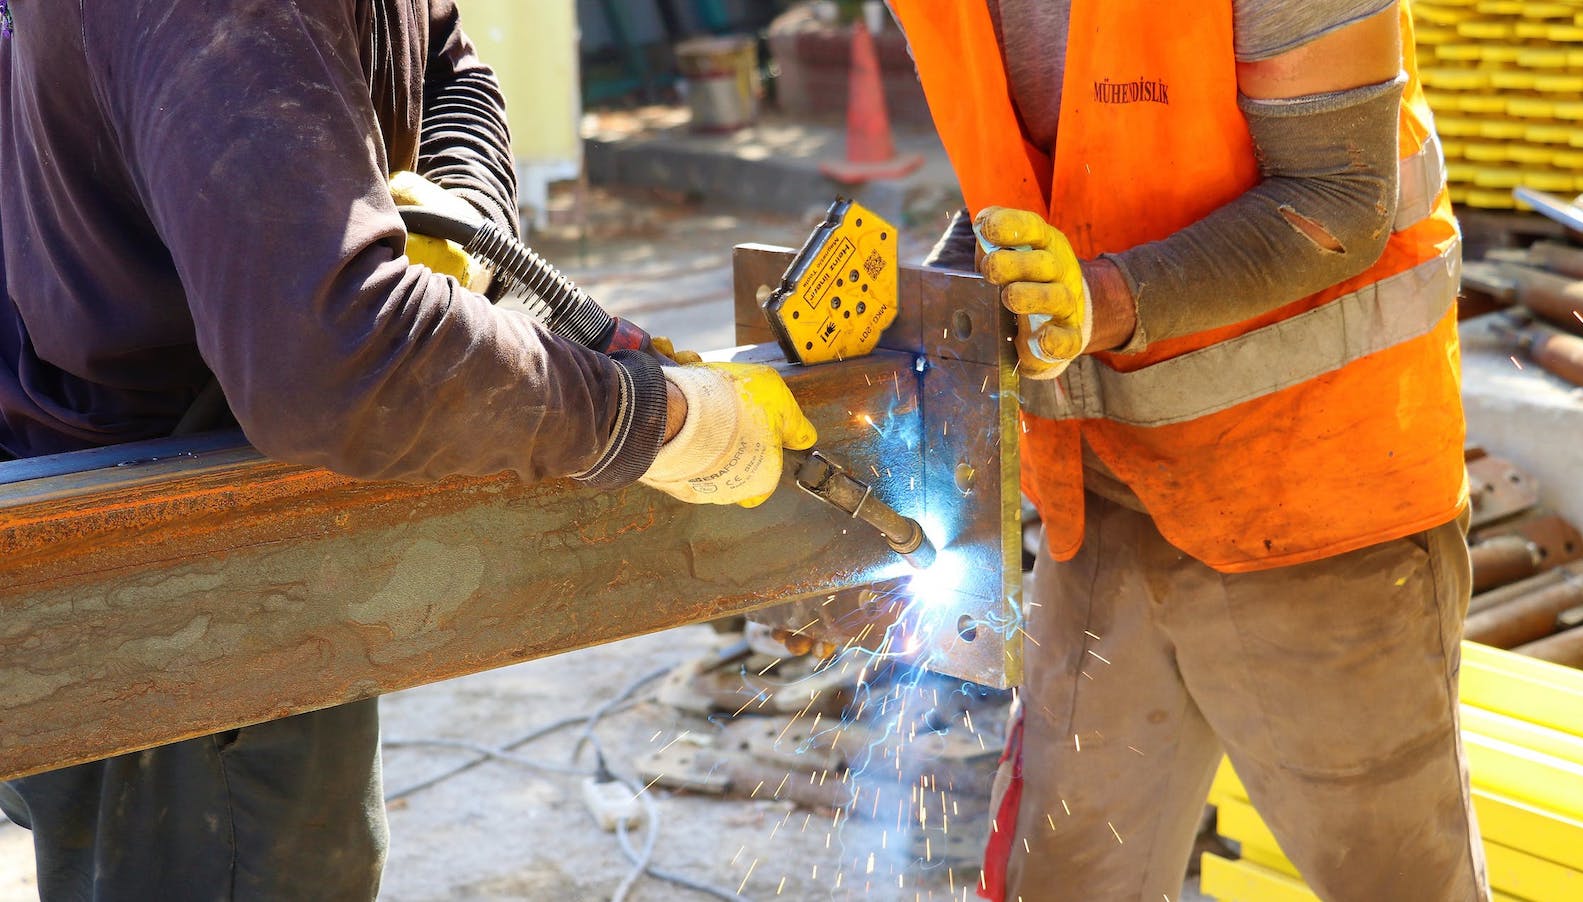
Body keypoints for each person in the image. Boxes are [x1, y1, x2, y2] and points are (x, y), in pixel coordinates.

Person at [0, 1, 813, 898]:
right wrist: (655, 423)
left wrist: (458, 214)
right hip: (165, 554)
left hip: (245, 491)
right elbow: (329, 367)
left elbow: (444, 63)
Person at [895, 2, 1487, 900]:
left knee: (1393, 880)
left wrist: (1099, 299)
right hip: (1099, 493)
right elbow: (1051, 168)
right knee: (1068, 878)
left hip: (1311, 497)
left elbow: (1338, 197)